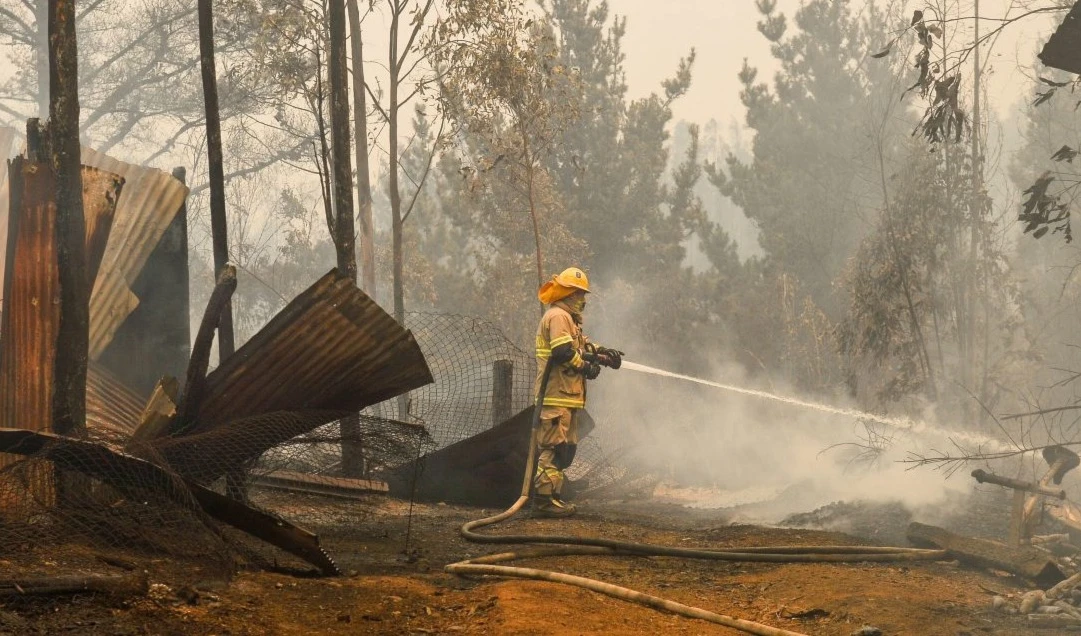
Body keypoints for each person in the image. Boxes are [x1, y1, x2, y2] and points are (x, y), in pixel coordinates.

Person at [532, 267, 621, 518]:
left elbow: (581, 346)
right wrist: (587, 368)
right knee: (554, 449)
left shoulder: (569, 320)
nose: (583, 299)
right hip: (555, 397)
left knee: (566, 450)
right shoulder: (558, 316)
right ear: (569, 293)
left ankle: (553, 497)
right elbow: (563, 353)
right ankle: (543, 501)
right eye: (579, 294)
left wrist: (606, 354)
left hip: (567, 397)